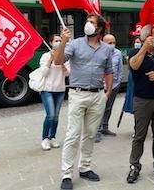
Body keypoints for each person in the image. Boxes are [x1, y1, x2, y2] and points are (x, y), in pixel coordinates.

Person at [54, 14, 114, 190]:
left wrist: (108, 92)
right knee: (73, 135)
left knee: (89, 134)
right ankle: (66, 174)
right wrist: (64, 41)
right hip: (78, 94)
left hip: (97, 96)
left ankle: (85, 167)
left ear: (100, 29)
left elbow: (109, 70)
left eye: (92, 22)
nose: (88, 25)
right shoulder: (75, 44)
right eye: (87, 21)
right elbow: (58, 61)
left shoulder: (106, 49)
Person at [127, 25, 154, 183]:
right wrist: (144, 48)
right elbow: (134, 65)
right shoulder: (135, 52)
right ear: (147, 38)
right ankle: (134, 165)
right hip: (142, 100)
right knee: (139, 135)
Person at [39, 34, 70, 151]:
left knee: (56, 117)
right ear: (51, 43)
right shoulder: (45, 56)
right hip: (47, 90)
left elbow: (68, 73)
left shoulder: (65, 56)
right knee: (50, 115)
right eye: (56, 41)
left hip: (60, 89)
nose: (58, 42)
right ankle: (45, 138)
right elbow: (43, 73)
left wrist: (60, 62)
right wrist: (51, 59)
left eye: (60, 41)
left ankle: (53, 137)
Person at [95, 34, 123, 142]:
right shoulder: (98, 53)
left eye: (113, 42)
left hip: (114, 85)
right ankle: (96, 130)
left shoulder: (118, 53)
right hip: (101, 86)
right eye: (109, 43)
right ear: (103, 43)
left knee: (108, 108)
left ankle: (104, 128)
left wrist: (118, 81)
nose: (112, 45)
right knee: (98, 109)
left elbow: (120, 69)